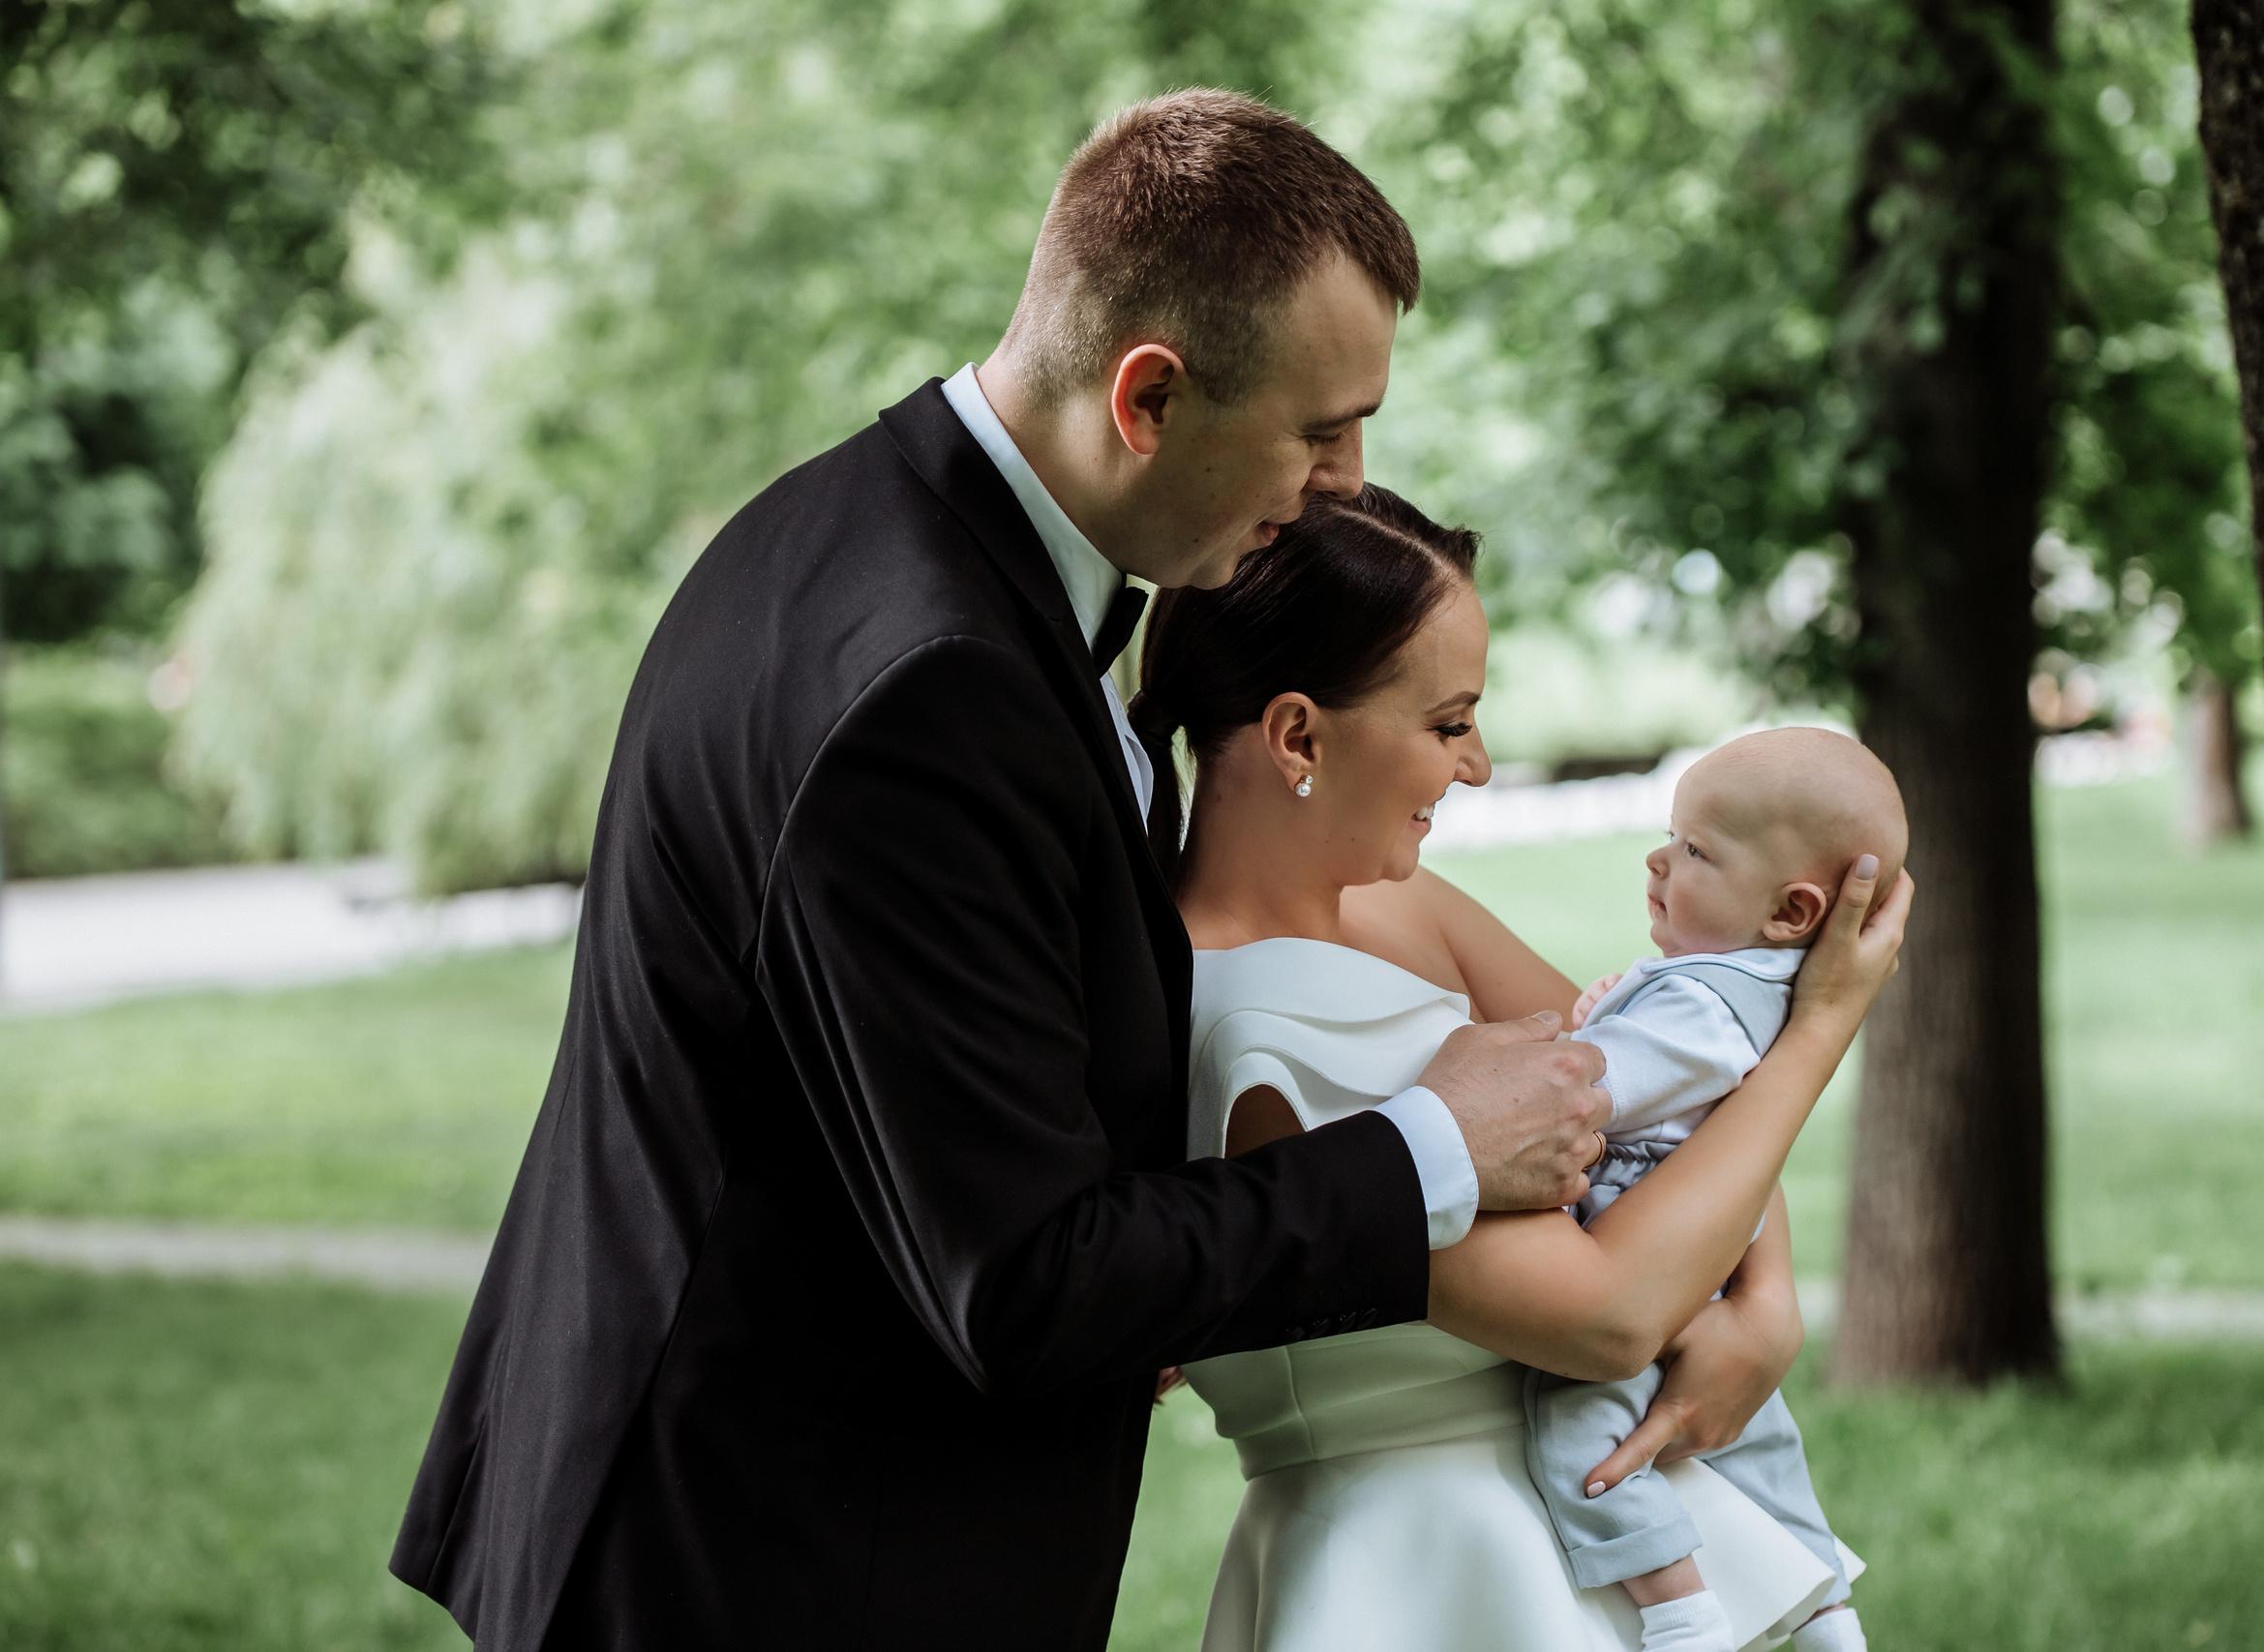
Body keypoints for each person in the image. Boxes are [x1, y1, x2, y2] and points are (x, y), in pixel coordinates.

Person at [389, 90, 1630, 1652]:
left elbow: (955, 1109)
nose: (1345, 476)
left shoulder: (888, 537)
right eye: (1321, 428)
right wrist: (1430, 1150)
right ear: (1148, 397)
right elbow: (1026, 1279)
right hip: (772, 1558)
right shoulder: (924, 680)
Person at [1135, 487, 1912, 1652]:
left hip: (1593, 1512)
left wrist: (1767, 1303)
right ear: (1299, 736)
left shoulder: (1399, 906)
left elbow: (1671, 1093)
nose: (1483, 765)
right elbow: (1606, 1318)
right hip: (1434, 1560)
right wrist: (1816, 1029)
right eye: (1448, 724)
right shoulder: (1261, 1041)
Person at [1525, 728, 1911, 1652]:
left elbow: (1586, 1097)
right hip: (1705, 1252)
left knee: (1582, 1433)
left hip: (1646, 1239)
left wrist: (1573, 1049)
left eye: (1696, 850)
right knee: (1758, 1444)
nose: (1659, 858)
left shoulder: (1705, 1004)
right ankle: (1824, 1612)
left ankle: (1680, 1613)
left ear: (1791, 910)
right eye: (1671, 834)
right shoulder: (1734, 983)